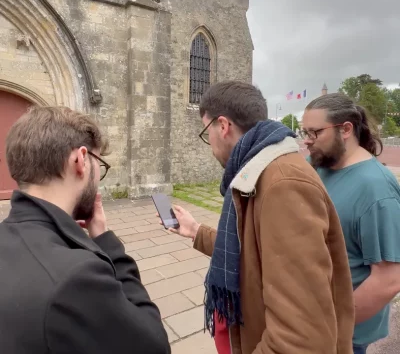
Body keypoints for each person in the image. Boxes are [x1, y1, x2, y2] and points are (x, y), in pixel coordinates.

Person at [163, 81, 355, 353]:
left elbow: (300, 339)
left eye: (207, 133)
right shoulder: (259, 169)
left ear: (223, 126)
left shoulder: (282, 184)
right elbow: (250, 251)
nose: (210, 144)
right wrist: (196, 231)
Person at [0, 106, 170, 354]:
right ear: (80, 160)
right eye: (98, 163)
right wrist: (106, 241)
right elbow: (155, 345)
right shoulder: (77, 276)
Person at [301, 93, 400, 354]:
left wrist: (332, 324)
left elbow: (389, 279)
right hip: (307, 319)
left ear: (346, 129)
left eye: (314, 133)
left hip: (341, 336)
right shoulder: (319, 164)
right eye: (304, 132)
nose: (307, 141)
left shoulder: (376, 190)